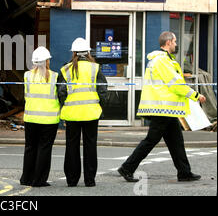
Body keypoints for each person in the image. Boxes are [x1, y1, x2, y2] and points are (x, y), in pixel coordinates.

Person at [118, 31, 207, 183]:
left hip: (166, 109)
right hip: (162, 108)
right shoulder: (162, 61)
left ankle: (184, 172)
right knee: (151, 140)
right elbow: (176, 85)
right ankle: (127, 168)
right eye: (175, 41)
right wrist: (196, 95)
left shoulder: (160, 60)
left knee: (176, 141)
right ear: (168, 43)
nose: (176, 44)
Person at [57, 38, 108, 187]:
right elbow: (103, 92)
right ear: (88, 52)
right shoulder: (95, 68)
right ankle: (90, 180)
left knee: (71, 147)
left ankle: (72, 180)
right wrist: (100, 108)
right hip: (91, 113)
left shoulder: (65, 69)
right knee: (90, 146)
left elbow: (61, 92)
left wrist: (64, 106)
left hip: (71, 114)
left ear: (73, 53)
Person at [20, 46, 60, 187]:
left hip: (31, 118)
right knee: (44, 148)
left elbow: (25, 95)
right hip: (49, 119)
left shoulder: (27, 75)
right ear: (47, 61)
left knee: (30, 147)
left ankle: (26, 178)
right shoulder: (55, 76)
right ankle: (39, 180)